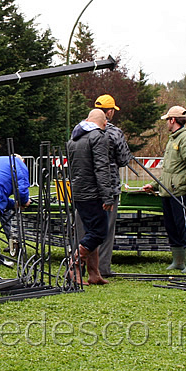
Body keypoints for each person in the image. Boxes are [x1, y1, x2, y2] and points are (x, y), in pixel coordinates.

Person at [142, 106, 186, 273]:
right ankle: (178, 260)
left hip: (179, 193)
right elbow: (169, 170)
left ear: (173, 120)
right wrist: (155, 185)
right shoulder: (172, 140)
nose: (166, 123)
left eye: (167, 120)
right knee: (172, 227)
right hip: (167, 192)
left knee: (185, 226)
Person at [66, 109, 114, 285]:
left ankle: (94, 273)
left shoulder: (73, 139)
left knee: (90, 230)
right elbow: (102, 168)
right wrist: (107, 196)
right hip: (93, 193)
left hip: (78, 193)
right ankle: (73, 266)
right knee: (99, 233)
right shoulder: (98, 137)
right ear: (104, 124)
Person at [88, 94, 132, 277]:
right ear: (110, 111)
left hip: (87, 188)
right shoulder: (115, 132)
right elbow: (123, 159)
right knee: (106, 229)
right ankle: (102, 268)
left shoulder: (82, 131)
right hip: (110, 187)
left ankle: (81, 265)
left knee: (86, 227)